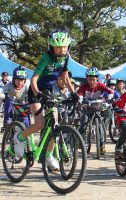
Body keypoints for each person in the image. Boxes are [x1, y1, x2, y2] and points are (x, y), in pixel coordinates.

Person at [13, 29, 78, 171]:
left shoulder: (66, 57)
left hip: (48, 91)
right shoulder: (46, 58)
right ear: (51, 48)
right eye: (58, 48)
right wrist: (38, 94)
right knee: (40, 123)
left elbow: (64, 77)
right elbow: (34, 79)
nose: (61, 50)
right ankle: (19, 138)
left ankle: (48, 155)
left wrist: (73, 92)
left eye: (64, 47)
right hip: (35, 91)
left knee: (54, 123)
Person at [77, 67, 114, 155]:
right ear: (87, 78)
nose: (92, 81)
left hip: (98, 108)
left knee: (101, 127)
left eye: (93, 79)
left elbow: (110, 91)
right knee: (84, 125)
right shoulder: (84, 86)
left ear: (97, 79)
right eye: (90, 79)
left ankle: (101, 146)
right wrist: (80, 98)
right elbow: (79, 93)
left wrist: (110, 96)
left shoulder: (100, 85)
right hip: (87, 108)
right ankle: (83, 143)